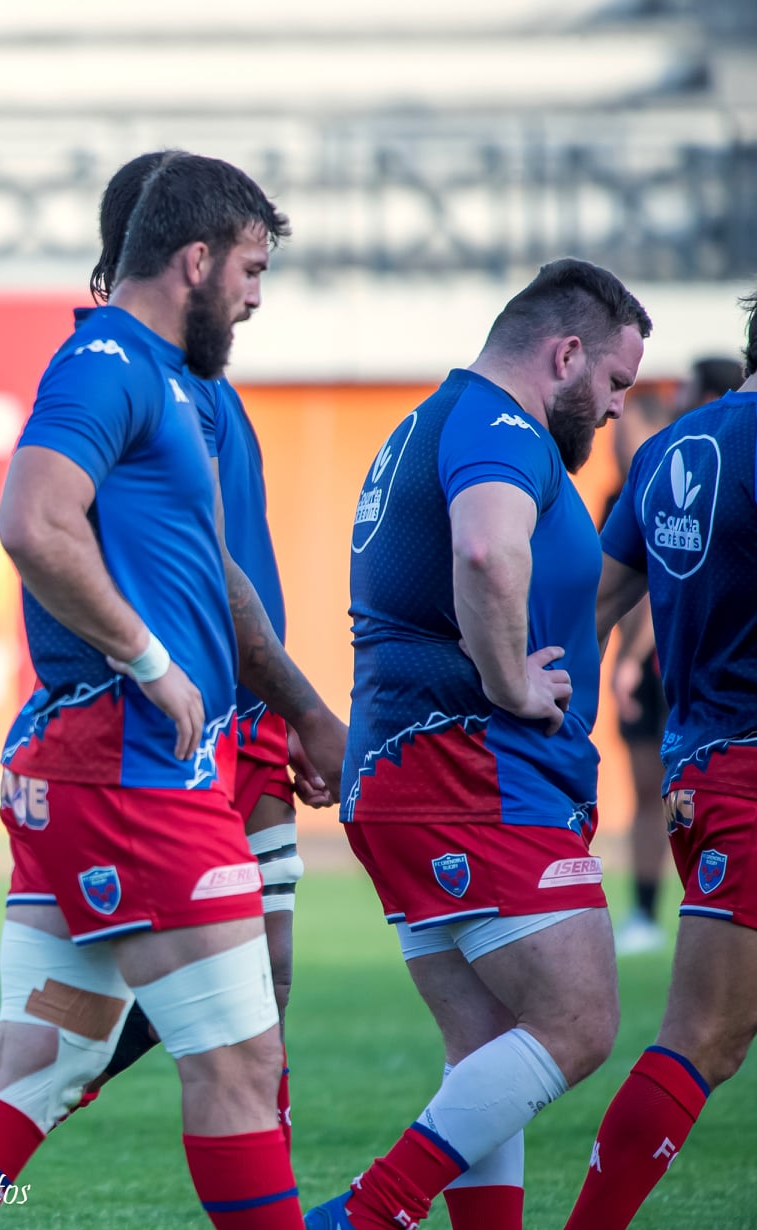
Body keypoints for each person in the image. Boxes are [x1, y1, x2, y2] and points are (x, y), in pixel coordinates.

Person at [0, 152, 315, 1230]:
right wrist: (152, 661)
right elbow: (30, 522)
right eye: (250, 266)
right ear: (195, 259)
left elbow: (192, 564)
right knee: (240, 1064)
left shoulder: (162, 376)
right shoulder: (108, 364)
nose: (256, 292)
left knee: (45, 1057)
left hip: (101, 770)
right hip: (134, 772)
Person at [307, 259, 651, 1230]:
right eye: (615, 383)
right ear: (566, 354)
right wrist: (509, 681)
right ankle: (363, 1216)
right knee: (579, 1024)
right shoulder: (502, 424)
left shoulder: (444, 417)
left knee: (490, 1047)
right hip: (467, 771)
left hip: (419, 773)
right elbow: (487, 550)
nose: (618, 407)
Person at [562, 299, 757, 1228]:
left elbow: (594, 606)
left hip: (699, 769)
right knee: (704, 1038)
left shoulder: (671, 453)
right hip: (749, 774)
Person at [608, 357, 745, 956]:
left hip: (696, 738)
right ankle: (646, 910)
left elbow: (607, 600)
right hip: (731, 752)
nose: (612, 420)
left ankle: (650, 911)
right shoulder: (653, 469)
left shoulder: (664, 456)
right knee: (704, 1037)